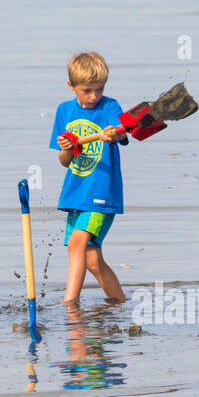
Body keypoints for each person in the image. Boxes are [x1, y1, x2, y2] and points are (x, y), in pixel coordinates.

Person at [50, 51, 129, 304]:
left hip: (101, 194)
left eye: (99, 89)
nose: (94, 96)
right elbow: (64, 162)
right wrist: (66, 148)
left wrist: (113, 134)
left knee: (76, 244)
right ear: (71, 86)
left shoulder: (109, 106)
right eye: (87, 90)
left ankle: (69, 304)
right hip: (75, 192)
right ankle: (119, 303)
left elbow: (122, 130)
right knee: (93, 260)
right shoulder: (64, 111)